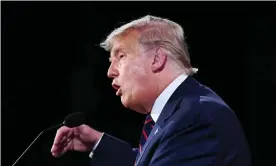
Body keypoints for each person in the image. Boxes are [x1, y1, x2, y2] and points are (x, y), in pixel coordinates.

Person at [51, 15, 251, 166]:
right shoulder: (183, 112)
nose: (110, 72)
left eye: (121, 56)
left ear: (156, 59)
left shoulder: (196, 118)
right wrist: (98, 143)